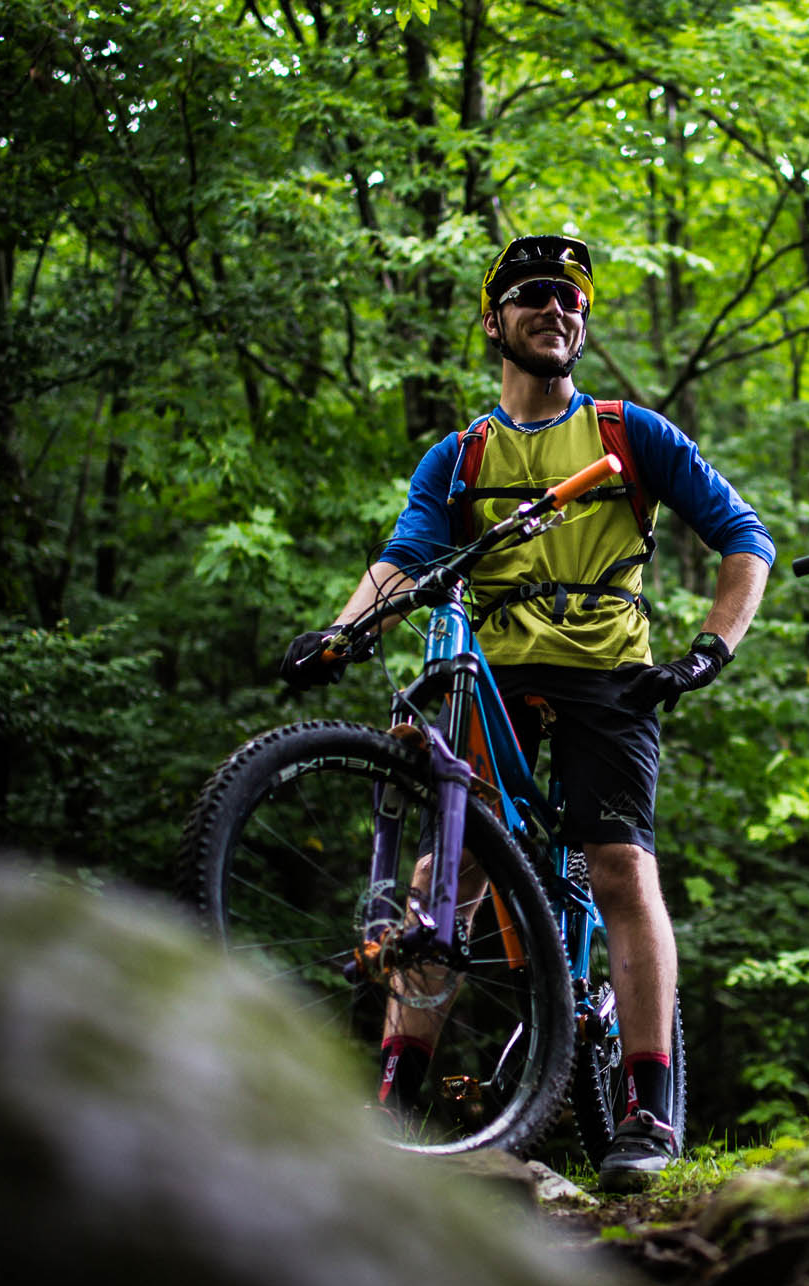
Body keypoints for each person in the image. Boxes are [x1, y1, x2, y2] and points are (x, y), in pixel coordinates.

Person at [279, 234, 774, 1189]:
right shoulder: (460, 453)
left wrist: (707, 650)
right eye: (537, 295)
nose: (560, 310)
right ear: (495, 320)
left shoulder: (633, 434)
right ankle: (396, 1105)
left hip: (611, 676)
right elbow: (408, 554)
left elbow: (744, 538)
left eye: (574, 300)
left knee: (620, 865)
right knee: (444, 877)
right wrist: (337, 632)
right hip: (494, 676)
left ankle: (645, 1106)